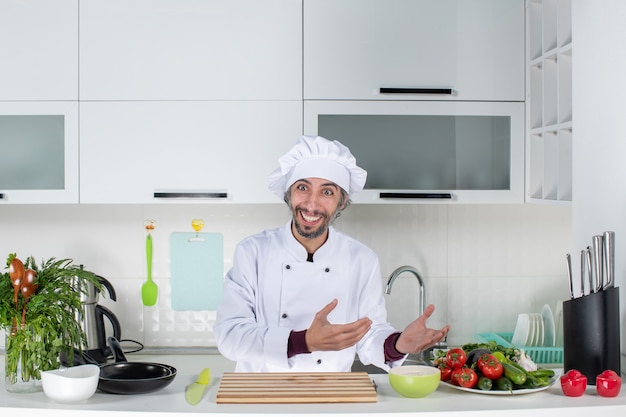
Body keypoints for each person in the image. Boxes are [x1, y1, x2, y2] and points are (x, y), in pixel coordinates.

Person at [215, 135, 449, 372]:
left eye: (327, 192)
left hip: (329, 392)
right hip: (260, 394)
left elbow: (368, 333)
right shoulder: (253, 252)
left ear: (342, 202)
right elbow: (230, 336)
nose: (311, 204)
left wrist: (397, 345)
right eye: (303, 187)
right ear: (288, 193)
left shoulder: (361, 259)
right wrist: (304, 341)